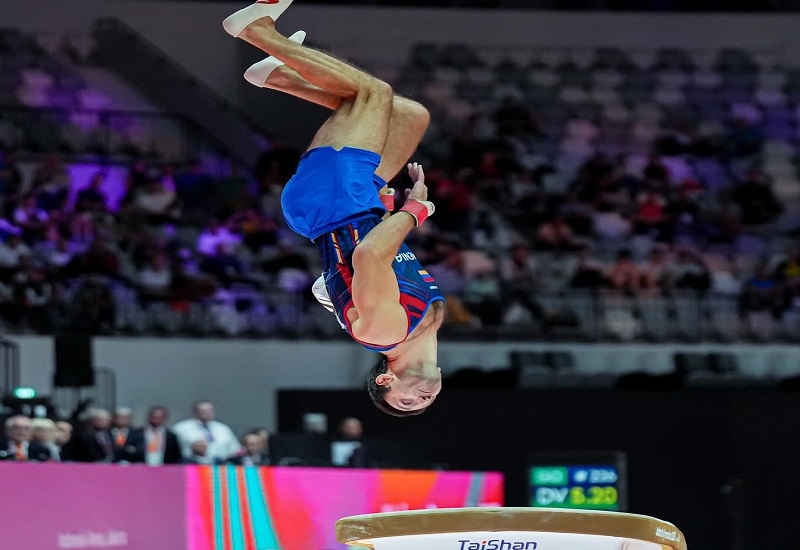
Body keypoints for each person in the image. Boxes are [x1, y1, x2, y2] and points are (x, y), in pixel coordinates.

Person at [223, 0, 444, 416]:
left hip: (335, 205)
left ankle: (256, 31)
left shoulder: (387, 333)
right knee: (410, 116)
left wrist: (414, 211)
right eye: (424, 403)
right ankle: (277, 76)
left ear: (386, 379)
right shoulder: (426, 324)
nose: (422, 398)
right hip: (357, 205)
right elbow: (378, 262)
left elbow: (367, 255)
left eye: (407, 400)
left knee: (374, 95)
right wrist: (387, 208)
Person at [172, 401, 241, 462]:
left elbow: (234, 449)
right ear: (195, 412)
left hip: (219, 465)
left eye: (209, 410)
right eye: (203, 411)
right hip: (191, 465)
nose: (207, 413)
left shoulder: (223, 428)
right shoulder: (181, 428)